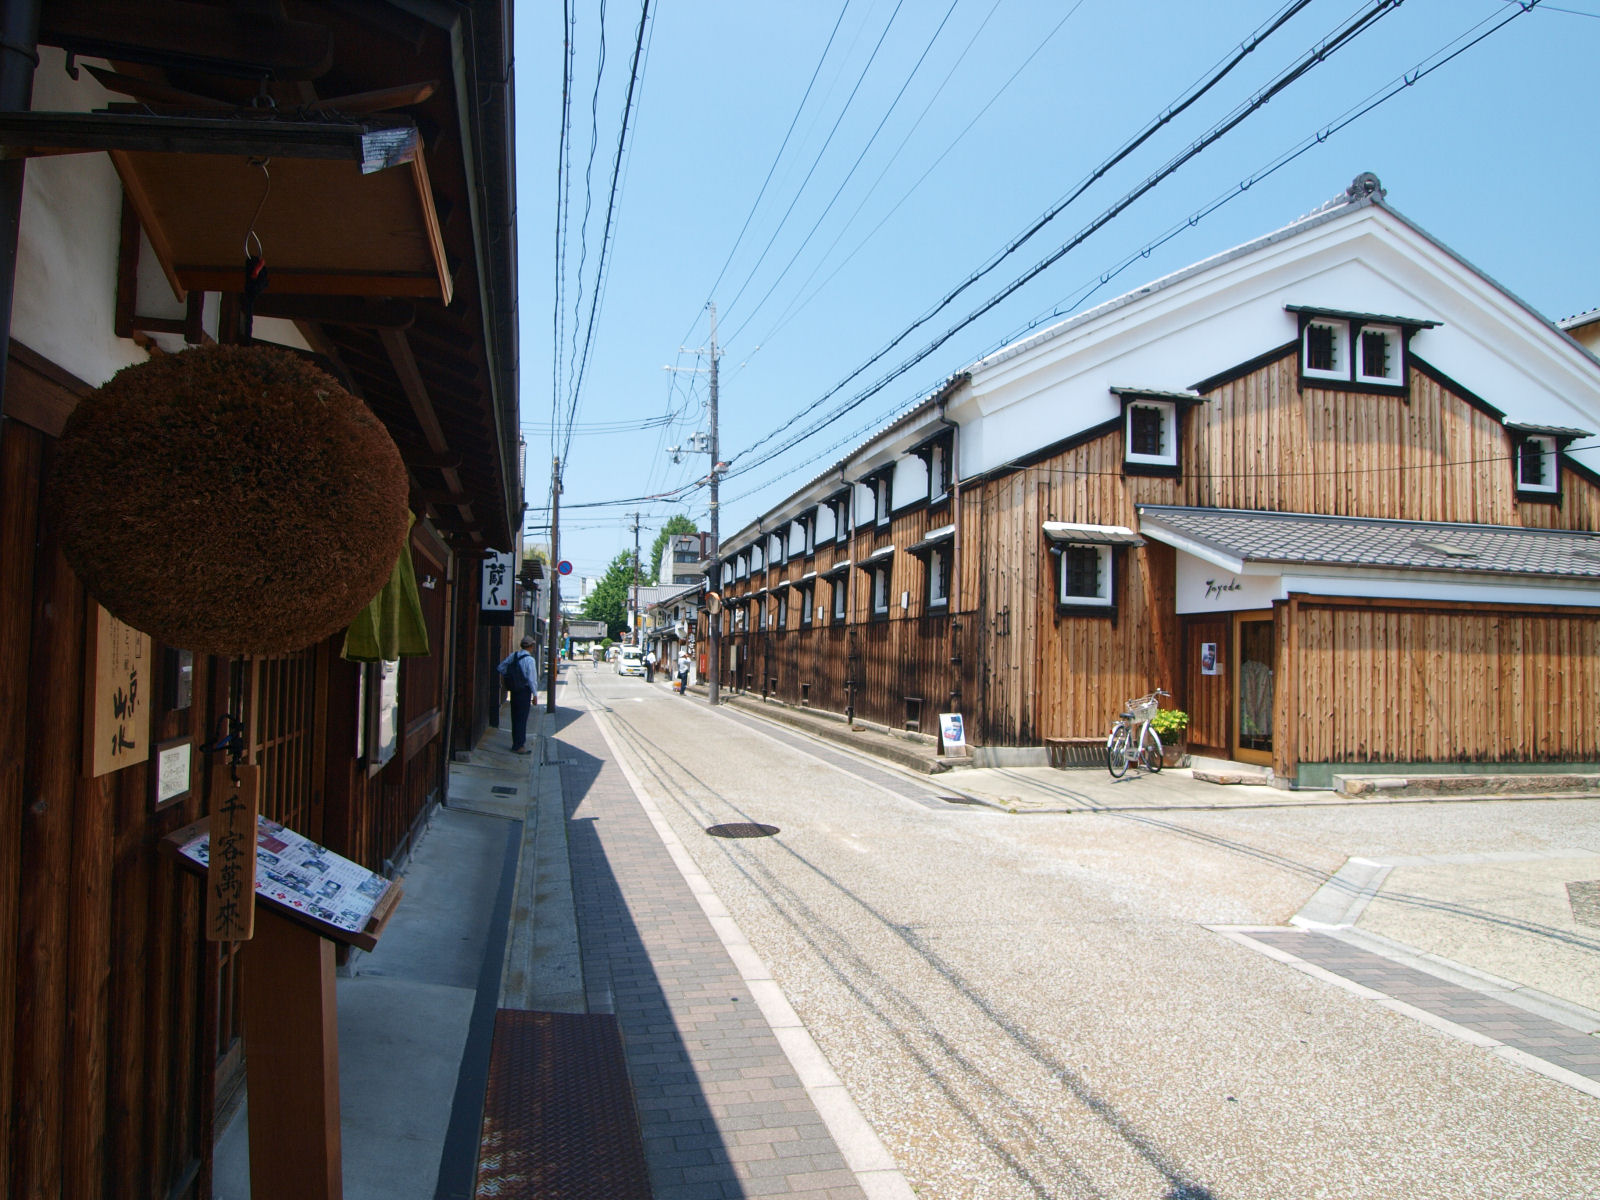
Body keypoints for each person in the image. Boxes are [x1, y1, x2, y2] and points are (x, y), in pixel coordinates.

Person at [497, 636, 538, 754]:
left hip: (514, 691)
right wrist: (535, 695)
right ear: (530, 646)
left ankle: (516, 744)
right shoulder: (530, 660)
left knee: (515, 718)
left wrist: (511, 677)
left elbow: (500, 667)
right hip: (524, 691)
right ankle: (519, 746)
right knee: (522, 719)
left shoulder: (513, 656)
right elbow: (531, 679)